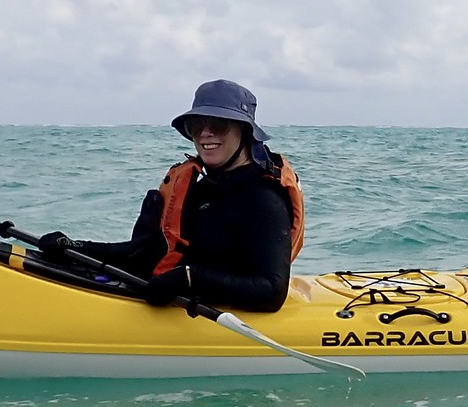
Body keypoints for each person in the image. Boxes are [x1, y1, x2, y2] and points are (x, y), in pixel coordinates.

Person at [40, 80, 304, 313]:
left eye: (219, 125)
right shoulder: (204, 188)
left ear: (245, 132)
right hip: (177, 295)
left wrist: (190, 278)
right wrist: (76, 247)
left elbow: (272, 293)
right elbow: (148, 254)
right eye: (197, 125)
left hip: (221, 313)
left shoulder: (263, 200)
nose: (204, 134)